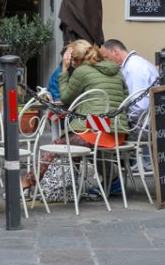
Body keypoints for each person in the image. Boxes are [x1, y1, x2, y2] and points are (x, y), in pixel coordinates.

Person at [23, 40, 128, 190]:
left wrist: (64, 71)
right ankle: (74, 186)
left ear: (76, 60)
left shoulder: (82, 71)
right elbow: (125, 97)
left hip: (97, 134)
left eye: (71, 60)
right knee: (76, 141)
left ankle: (28, 182)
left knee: (56, 145)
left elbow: (65, 97)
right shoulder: (116, 70)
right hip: (118, 133)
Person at [101, 38, 158, 126]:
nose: (105, 61)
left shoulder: (133, 68)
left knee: (98, 127)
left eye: (106, 57)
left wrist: (122, 120)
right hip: (145, 122)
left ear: (115, 51)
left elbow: (139, 106)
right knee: (98, 125)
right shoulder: (135, 63)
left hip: (142, 127)